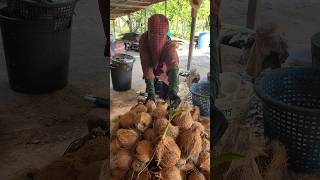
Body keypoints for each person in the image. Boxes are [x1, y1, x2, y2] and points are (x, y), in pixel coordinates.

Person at [139, 14, 181, 108]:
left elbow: (173, 65)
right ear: (149, 31)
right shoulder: (143, 40)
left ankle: (169, 95)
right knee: (151, 96)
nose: (156, 38)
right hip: (150, 70)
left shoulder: (169, 45)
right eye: (153, 33)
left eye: (160, 34)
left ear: (166, 33)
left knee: (167, 98)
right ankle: (151, 94)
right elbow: (146, 65)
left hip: (164, 71)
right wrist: (151, 92)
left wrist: (174, 90)